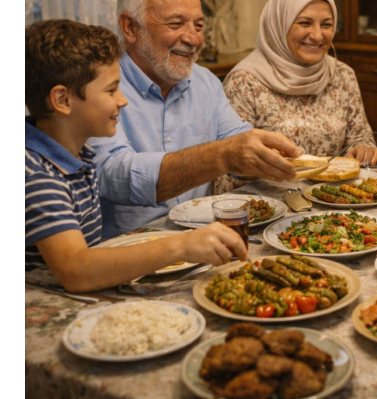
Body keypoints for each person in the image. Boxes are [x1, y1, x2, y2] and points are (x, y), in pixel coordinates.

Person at [25, 20, 247, 293]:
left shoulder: (78, 154)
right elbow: (76, 270)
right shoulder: (37, 174)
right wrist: (182, 246)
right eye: (111, 90)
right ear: (63, 100)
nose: (123, 100)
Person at [89, 0, 301, 238]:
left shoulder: (205, 82)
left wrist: (267, 156)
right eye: (176, 24)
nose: (193, 39)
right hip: (126, 253)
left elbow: (237, 141)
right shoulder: (98, 85)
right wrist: (222, 155)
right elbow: (114, 175)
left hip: (200, 241)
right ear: (130, 27)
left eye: (198, 26)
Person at [218, 0, 377, 193]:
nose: (317, 35)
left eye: (327, 25)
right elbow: (227, 172)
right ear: (278, 23)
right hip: (264, 208)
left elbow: (360, 137)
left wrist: (364, 149)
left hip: (331, 203)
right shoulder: (244, 82)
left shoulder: (342, 75)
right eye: (305, 23)